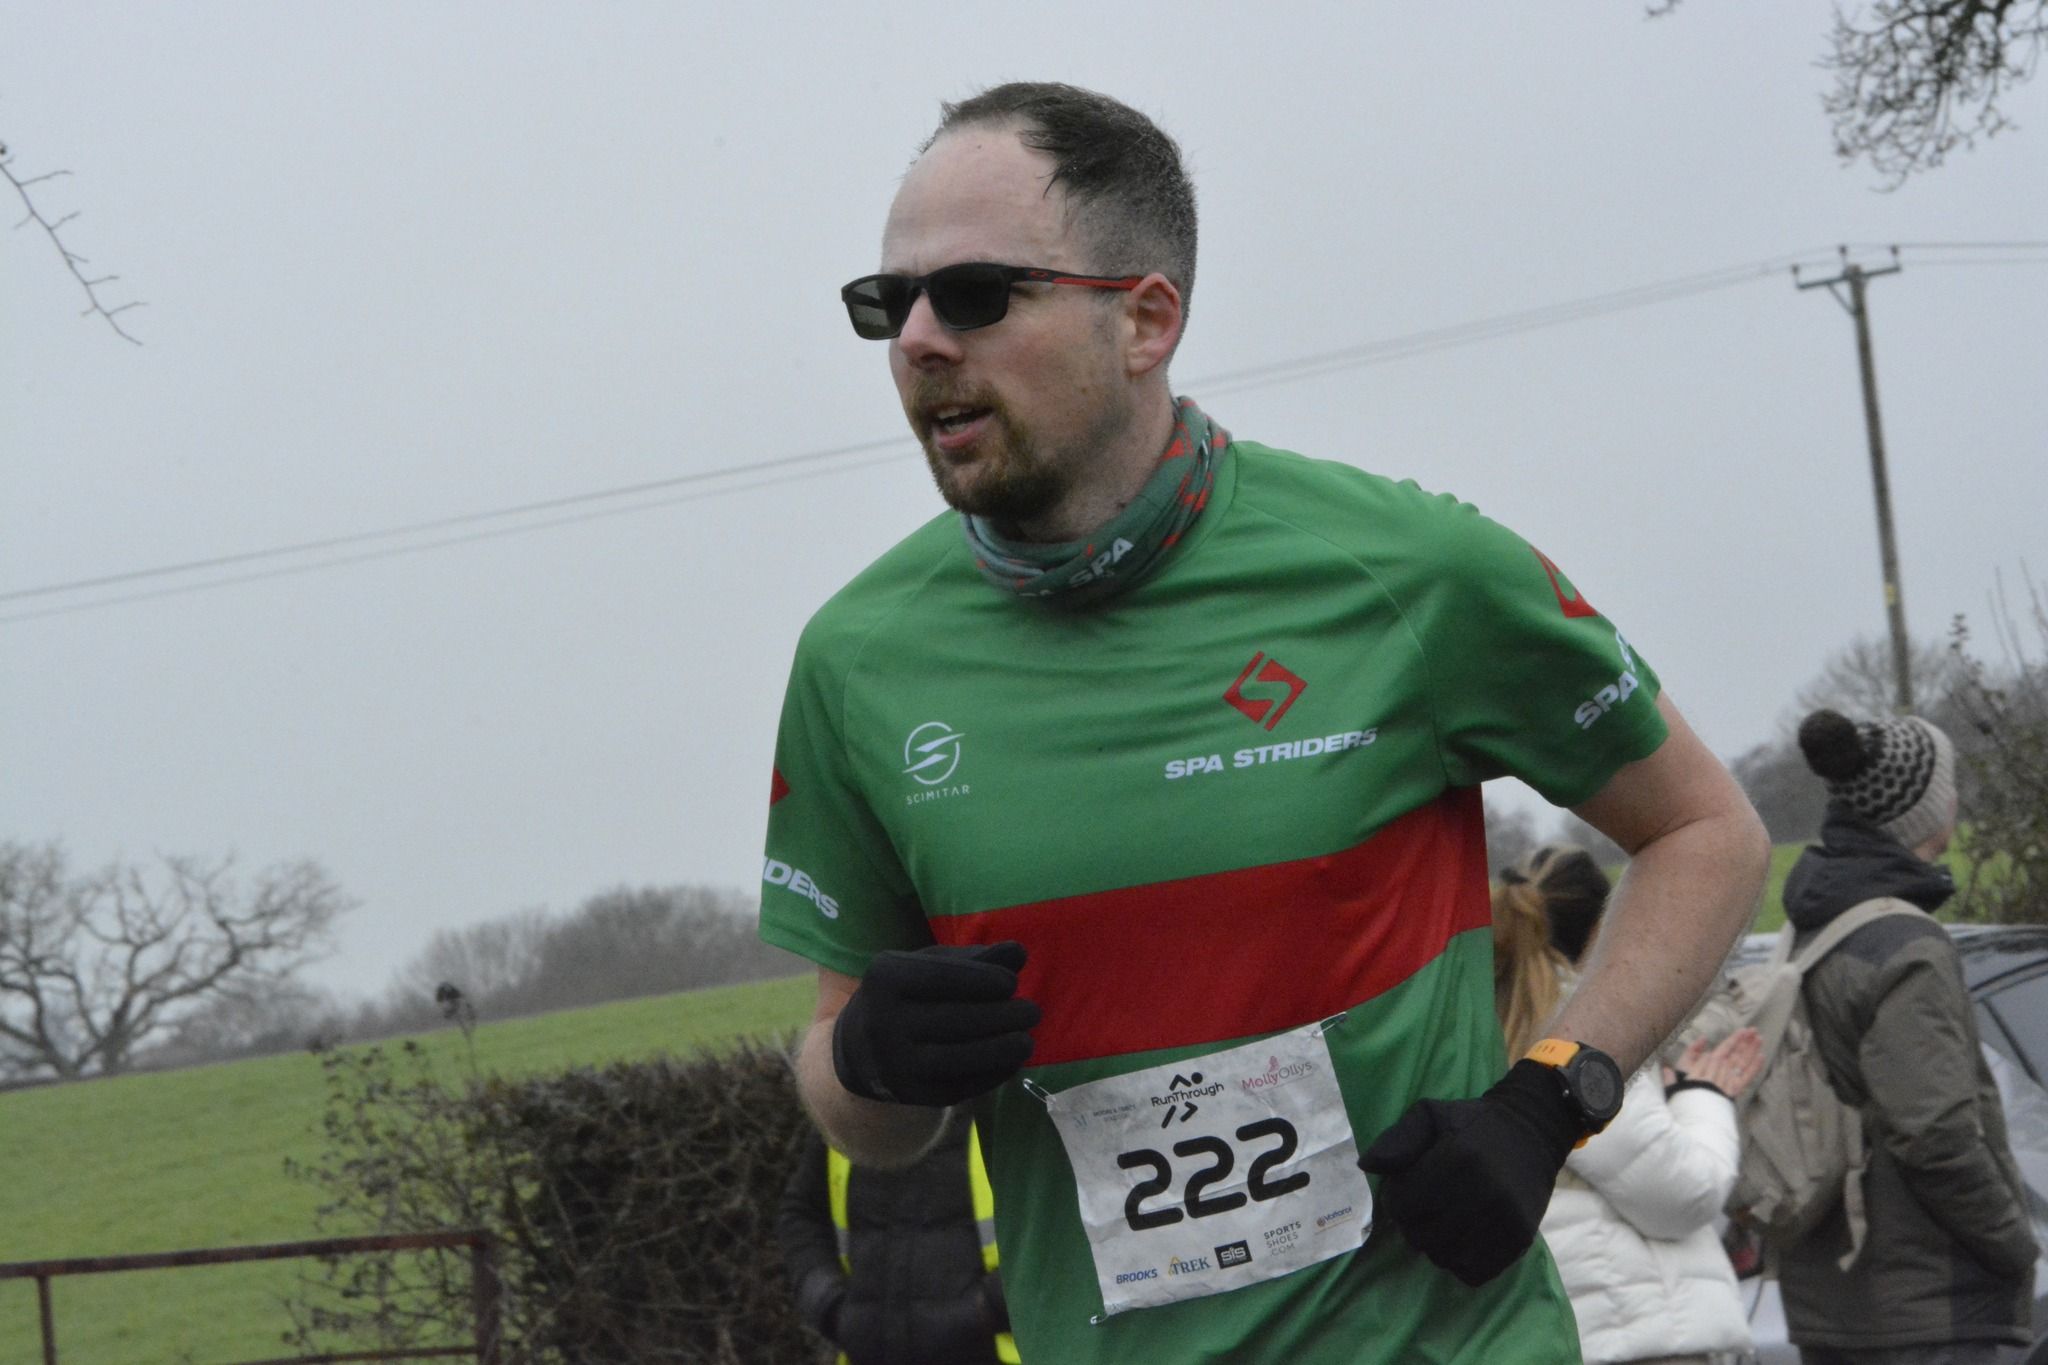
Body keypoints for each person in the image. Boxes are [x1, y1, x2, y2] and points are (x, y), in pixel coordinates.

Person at [756, 80, 1769, 1365]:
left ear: (1143, 319)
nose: (914, 339)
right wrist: (871, 1063)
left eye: (972, 295)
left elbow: (1704, 830)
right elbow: (858, 1118)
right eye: (884, 303)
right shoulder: (858, 661)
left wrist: (1549, 1097)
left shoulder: (1403, 571)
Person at [1776, 708, 2035, 1365]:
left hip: (1829, 1301)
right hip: (1929, 1311)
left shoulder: (1806, 930)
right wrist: (2013, 1242)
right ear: (1925, 813)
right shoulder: (1906, 946)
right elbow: (1935, 1133)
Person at [1496, 844, 1761, 1365]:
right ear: (1602, 931)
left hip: (1551, 1330)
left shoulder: (1481, 1019)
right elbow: (1681, 1195)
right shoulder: (1576, 1038)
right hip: (1634, 1336)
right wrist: (1703, 1095)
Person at [777, 1109, 1019, 1365]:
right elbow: (801, 1214)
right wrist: (830, 1307)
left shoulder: (1004, 1100)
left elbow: (1059, 1228)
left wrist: (986, 1310)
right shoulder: (850, 1100)